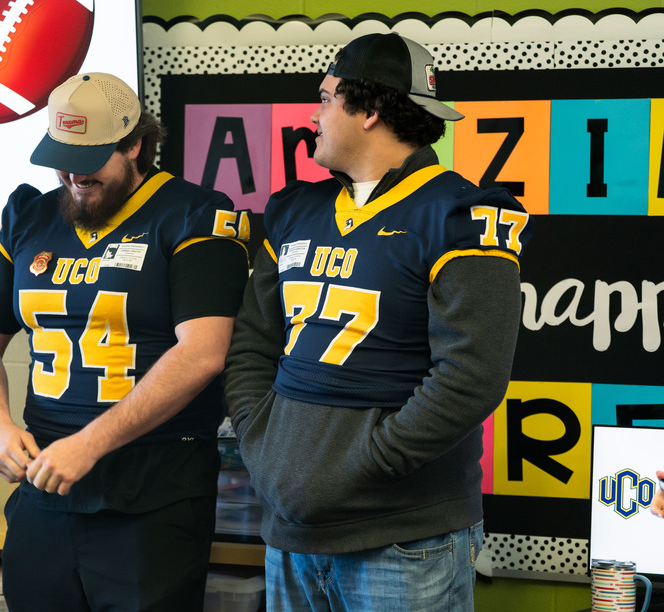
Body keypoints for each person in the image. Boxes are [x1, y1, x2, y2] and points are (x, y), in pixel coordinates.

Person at [223, 33, 532, 610]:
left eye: (326, 98)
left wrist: (367, 462)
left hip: (403, 536)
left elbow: (473, 375)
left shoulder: (460, 214)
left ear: (369, 110)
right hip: (290, 534)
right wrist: (260, 441)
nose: (314, 114)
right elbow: (252, 344)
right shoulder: (296, 209)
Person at [0, 72, 250, 611]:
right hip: (44, 488)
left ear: (135, 143)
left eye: (88, 156)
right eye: (61, 155)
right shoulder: (30, 215)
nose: (71, 173)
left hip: (152, 492)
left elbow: (204, 352)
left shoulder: (195, 215)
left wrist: (90, 443)